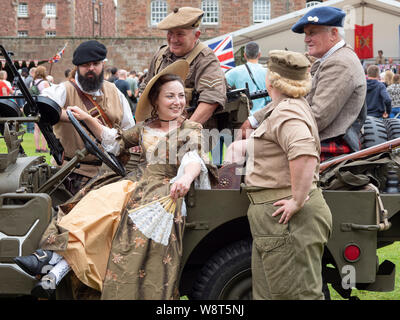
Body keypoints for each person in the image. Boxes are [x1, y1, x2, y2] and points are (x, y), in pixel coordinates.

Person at [14, 60, 217, 300]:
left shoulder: (190, 128)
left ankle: (52, 266)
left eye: (181, 96)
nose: (178, 102)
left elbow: (194, 158)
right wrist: (87, 119)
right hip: (136, 183)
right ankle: (52, 267)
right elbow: (114, 139)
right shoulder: (144, 128)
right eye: (170, 96)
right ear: (156, 101)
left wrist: (185, 177)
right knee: (94, 203)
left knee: (111, 212)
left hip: (164, 190)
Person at [226, 50, 332, 300]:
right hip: (276, 220)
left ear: (269, 81)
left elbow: (304, 153)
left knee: (293, 296)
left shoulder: (287, 112)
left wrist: (297, 199)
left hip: (285, 219)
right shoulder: (289, 107)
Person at [239, 6, 366, 162]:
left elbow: (317, 117)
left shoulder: (340, 63)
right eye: (306, 34)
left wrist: (262, 130)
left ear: (333, 34)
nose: (306, 40)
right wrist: (254, 120)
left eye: (312, 33)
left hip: (326, 146)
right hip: (312, 140)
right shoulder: (331, 59)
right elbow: (294, 99)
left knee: (238, 151)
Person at [40, 40, 135, 195]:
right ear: (78, 67)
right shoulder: (64, 90)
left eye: (95, 64)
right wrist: (72, 117)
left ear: (103, 64)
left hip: (110, 171)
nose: (91, 68)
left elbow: (129, 130)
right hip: (72, 173)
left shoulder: (115, 92)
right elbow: (42, 107)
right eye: (85, 65)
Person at [139, 6, 226, 128]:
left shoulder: (205, 59)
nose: (173, 39)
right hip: (159, 129)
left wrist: (183, 132)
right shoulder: (160, 55)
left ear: (196, 35)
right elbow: (145, 89)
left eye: (180, 34)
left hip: (194, 136)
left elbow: (211, 99)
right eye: (170, 33)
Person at [225, 41, 270, 114]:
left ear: (245, 55)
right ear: (259, 55)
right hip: (266, 115)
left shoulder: (235, 72)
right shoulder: (269, 72)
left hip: (245, 118)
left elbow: (221, 84)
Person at [32, 66, 50, 153]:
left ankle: (37, 147)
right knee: (44, 127)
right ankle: (43, 148)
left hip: (35, 106)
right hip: (43, 105)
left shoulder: (32, 83)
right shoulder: (45, 83)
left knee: (36, 128)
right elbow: (48, 95)